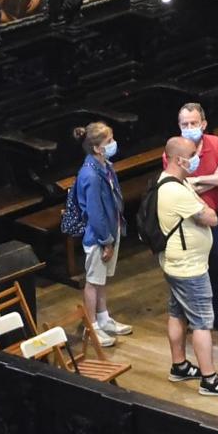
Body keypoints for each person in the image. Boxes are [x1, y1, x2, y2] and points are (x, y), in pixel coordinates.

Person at [158, 136, 218, 397]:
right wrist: (202, 203)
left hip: (177, 263)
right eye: (193, 154)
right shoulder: (177, 190)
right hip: (189, 268)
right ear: (180, 159)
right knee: (203, 322)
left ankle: (179, 365)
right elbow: (212, 217)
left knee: (177, 313)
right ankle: (209, 379)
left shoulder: (171, 181)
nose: (197, 158)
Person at [163, 102, 218, 339]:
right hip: (188, 220)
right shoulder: (173, 150)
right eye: (184, 124)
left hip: (215, 214)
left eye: (194, 123)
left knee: (217, 263)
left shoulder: (215, 143)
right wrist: (214, 178)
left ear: (203, 124)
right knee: (194, 270)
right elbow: (183, 185)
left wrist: (199, 181)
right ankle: (193, 315)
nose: (189, 128)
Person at [73, 121, 132, 348]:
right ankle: (92, 327)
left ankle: (104, 317)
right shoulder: (90, 175)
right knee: (92, 281)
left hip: (110, 229)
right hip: (99, 236)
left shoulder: (105, 165)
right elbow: (95, 213)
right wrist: (106, 241)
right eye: (109, 141)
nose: (113, 144)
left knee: (102, 279)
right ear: (97, 148)